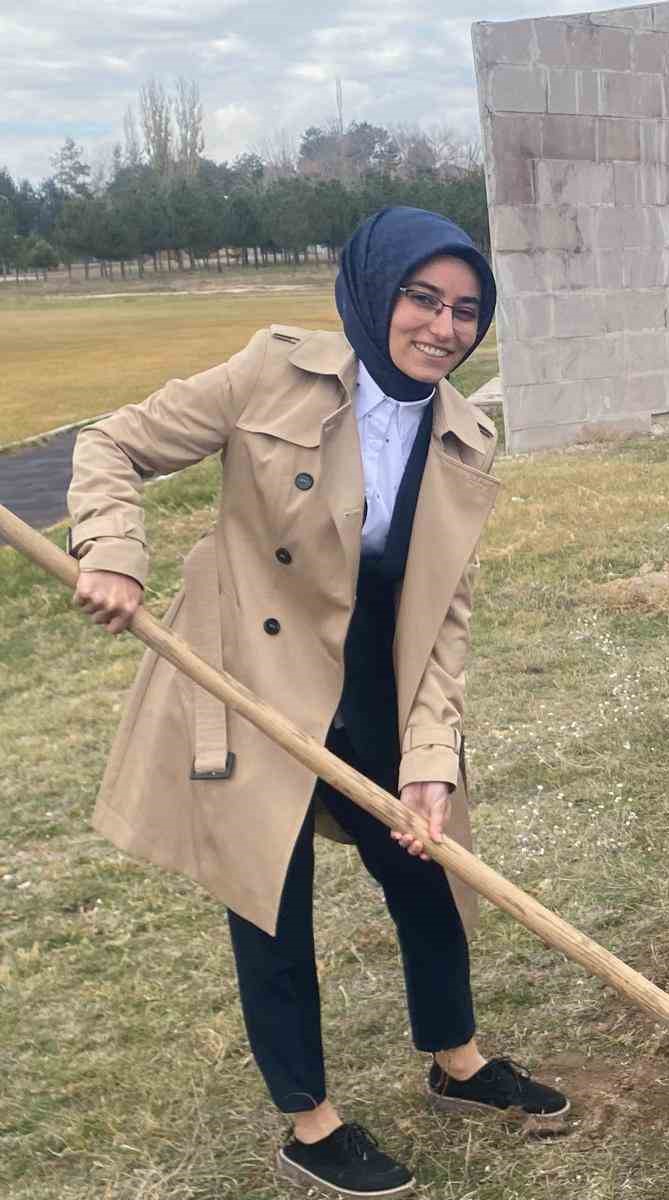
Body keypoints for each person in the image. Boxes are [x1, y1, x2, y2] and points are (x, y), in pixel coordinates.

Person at [67, 206, 569, 1198]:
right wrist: (115, 553)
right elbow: (110, 444)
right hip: (249, 681)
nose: (443, 326)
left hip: (377, 680)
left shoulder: (465, 436)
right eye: (423, 298)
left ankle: (457, 1062)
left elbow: (445, 614)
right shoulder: (269, 373)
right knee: (270, 895)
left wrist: (430, 753)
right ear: (376, 290)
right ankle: (310, 1120)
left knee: (432, 869)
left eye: (467, 310)